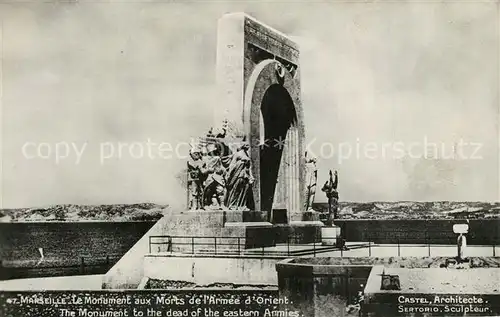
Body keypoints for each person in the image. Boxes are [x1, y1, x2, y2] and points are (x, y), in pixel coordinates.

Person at [225, 143, 255, 210]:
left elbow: (249, 167)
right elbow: (232, 164)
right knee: (236, 190)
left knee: (244, 191)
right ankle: (232, 205)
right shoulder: (238, 154)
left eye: (248, 145)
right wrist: (229, 173)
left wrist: (251, 176)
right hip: (239, 174)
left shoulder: (247, 154)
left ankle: (241, 205)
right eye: (247, 145)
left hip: (245, 175)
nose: (248, 147)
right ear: (243, 146)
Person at [202, 144, 227, 209]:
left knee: (220, 190)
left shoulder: (218, 158)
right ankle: (206, 204)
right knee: (208, 191)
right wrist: (207, 170)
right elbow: (202, 169)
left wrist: (224, 171)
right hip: (209, 177)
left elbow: (221, 166)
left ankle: (222, 205)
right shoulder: (205, 159)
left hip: (217, 176)